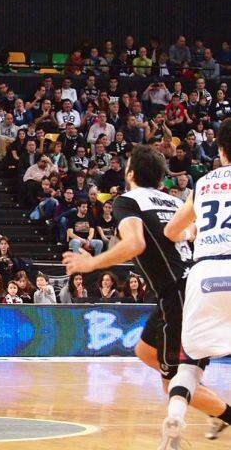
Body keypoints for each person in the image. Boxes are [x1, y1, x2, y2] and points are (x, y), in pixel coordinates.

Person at [62, 144, 231, 445]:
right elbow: (189, 232)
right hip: (188, 285)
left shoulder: (127, 201)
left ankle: (219, 414)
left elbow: (135, 244)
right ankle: (204, 399)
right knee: (145, 351)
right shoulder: (171, 199)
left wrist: (91, 263)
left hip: (180, 295)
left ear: (130, 173)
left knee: (173, 382)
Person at [160, 118, 231, 447]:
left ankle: (175, 416)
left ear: (220, 149)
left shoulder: (203, 183)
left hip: (204, 276)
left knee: (189, 366)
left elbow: (172, 232)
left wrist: (194, 231)